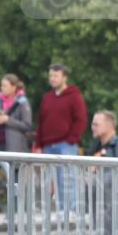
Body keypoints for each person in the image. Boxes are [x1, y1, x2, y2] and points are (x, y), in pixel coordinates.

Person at [35, 63, 87, 210]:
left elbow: (81, 119)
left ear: (64, 77)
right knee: (51, 181)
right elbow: (41, 121)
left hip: (66, 145)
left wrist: (72, 139)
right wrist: (38, 144)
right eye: (50, 75)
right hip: (48, 145)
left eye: (56, 75)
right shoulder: (47, 98)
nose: (52, 78)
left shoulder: (74, 96)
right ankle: (59, 212)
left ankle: (70, 214)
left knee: (67, 180)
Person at [0, 74, 33, 152]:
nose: (2, 88)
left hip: (14, 148)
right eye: (1, 85)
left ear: (13, 87)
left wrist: (7, 120)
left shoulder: (22, 102)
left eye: (5, 86)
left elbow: (27, 125)